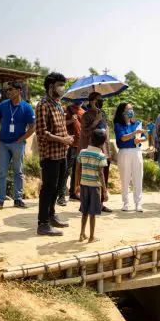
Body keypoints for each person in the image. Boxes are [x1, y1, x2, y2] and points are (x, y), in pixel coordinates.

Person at [36, 72, 75, 236]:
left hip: (61, 153)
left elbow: (60, 127)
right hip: (50, 154)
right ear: (51, 87)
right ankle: (42, 223)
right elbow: (41, 132)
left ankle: (51, 216)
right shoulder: (43, 105)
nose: (62, 88)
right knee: (48, 188)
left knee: (58, 187)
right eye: (60, 85)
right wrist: (62, 140)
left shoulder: (58, 104)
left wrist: (66, 138)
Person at [0, 81, 36, 210]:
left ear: (19, 91)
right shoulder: (4, 105)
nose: (8, 92)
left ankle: (18, 199)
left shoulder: (26, 107)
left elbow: (33, 126)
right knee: (1, 172)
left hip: (18, 144)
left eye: (11, 89)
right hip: (3, 143)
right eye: (7, 90)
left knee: (18, 172)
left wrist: (22, 139)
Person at [80, 92, 113, 212]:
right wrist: (95, 122)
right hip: (92, 151)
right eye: (98, 100)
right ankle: (88, 204)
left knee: (104, 177)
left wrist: (108, 153)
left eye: (101, 99)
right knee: (91, 179)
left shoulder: (103, 114)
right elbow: (85, 133)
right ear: (92, 101)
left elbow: (107, 134)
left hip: (103, 151)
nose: (100, 102)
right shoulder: (86, 116)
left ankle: (101, 203)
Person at [76, 129, 109, 243]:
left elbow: (77, 170)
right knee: (93, 213)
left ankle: (81, 234)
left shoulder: (82, 152)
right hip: (95, 187)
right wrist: (104, 190)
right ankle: (91, 237)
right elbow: (101, 174)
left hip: (83, 185)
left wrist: (76, 184)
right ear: (102, 143)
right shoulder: (101, 156)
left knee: (84, 211)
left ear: (90, 139)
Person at [114, 102, 146, 212]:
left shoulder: (137, 123)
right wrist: (135, 133)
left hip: (136, 151)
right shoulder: (118, 125)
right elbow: (122, 138)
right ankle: (126, 203)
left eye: (132, 108)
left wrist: (139, 139)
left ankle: (138, 203)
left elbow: (143, 137)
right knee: (125, 178)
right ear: (123, 112)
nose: (131, 111)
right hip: (124, 152)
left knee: (138, 177)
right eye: (128, 109)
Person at [56, 100, 86, 205]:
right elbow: (60, 124)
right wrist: (71, 121)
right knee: (66, 171)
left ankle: (73, 192)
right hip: (69, 145)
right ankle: (61, 196)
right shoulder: (66, 109)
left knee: (77, 171)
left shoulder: (83, 111)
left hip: (80, 145)